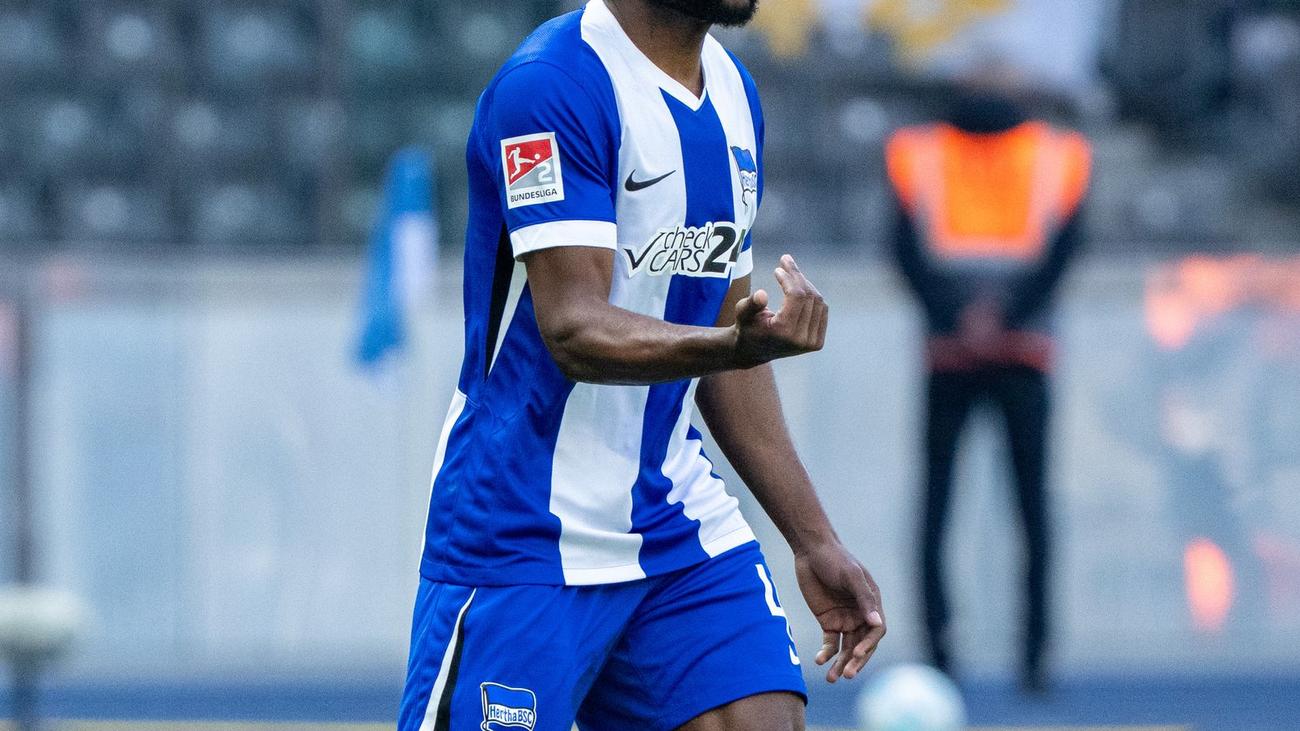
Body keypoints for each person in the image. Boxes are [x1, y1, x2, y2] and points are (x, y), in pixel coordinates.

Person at [398, 1, 887, 730]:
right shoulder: (550, 86)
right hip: (520, 526)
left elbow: (730, 328)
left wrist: (813, 537)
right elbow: (574, 329)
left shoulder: (733, 93)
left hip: (672, 520)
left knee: (762, 718)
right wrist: (729, 346)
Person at [884, 85, 1090, 692]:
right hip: (1021, 349)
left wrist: (958, 319)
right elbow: (1063, 252)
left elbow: (904, 250)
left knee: (943, 505)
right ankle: (1033, 661)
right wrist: (1002, 317)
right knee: (1027, 508)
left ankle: (942, 655)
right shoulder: (1058, 153)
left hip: (954, 351)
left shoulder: (917, 151)